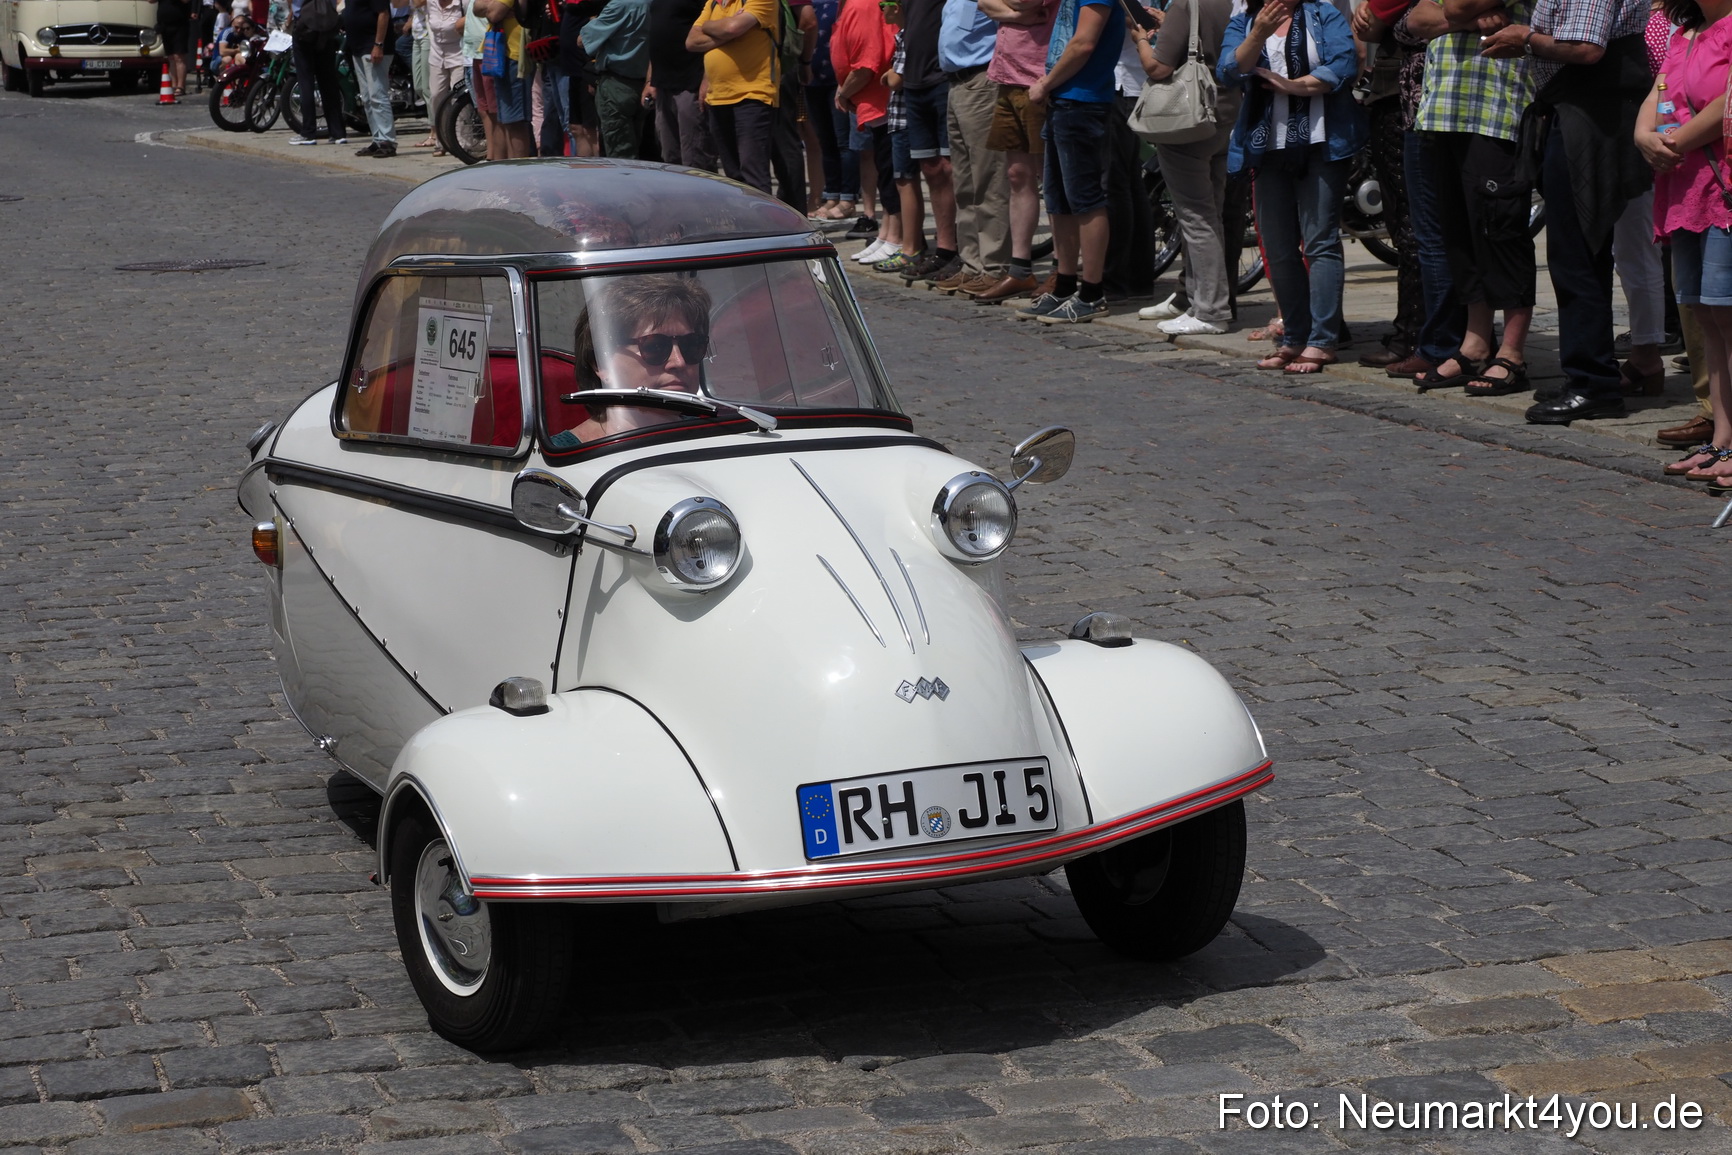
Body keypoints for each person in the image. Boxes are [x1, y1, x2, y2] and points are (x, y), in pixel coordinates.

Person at [1481, 0, 1652, 423]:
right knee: (1577, 251)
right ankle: (1588, 374)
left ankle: (1592, 383)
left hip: (1590, 109)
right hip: (1579, 104)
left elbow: (1585, 47)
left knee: (1577, 253)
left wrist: (1526, 39)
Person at [1219, 0, 1365, 369]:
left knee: (1319, 242)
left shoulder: (1322, 13)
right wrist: (1258, 34)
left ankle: (1323, 339)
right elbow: (1229, 71)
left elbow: (1345, 63)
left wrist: (1295, 86)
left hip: (1321, 142)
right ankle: (1295, 336)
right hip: (1265, 145)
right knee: (1278, 245)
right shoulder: (1245, 22)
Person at [1406, 0, 1537, 393]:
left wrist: (1450, 15)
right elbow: (1415, 19)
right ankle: (1475, 345)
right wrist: (1466, 21)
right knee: (1461, 236)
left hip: (1495, 111)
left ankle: (1512, 354)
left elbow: (1459, 5)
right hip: (1443, 109)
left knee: (1501, 232)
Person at [1641, 0, 1732, 481]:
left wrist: (1671, 144)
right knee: (1709, 318)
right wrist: (1642, 136)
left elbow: (1727, 103)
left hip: (1723, 191)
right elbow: (1658, 93)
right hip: (1687, 191)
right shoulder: (1685, 32)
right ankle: (1722, 441)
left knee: (1729, 316)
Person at [1131, 0, 1241, 334]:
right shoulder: (1232, 4)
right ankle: (1201, 300)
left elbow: (1159, 68)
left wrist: (1140, 40)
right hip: (1226, 112)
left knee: (1196, 217)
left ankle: (1210, 309)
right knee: (1212, 213)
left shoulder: (1185, 4)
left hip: (1189, 119)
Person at [1015, 0, 1125, 324]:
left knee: (1085, 199)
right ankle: (1064, 286)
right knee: (1059, 199)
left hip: (1082, 101)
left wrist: (1045, 84)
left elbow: (1083, 42)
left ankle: (1092, 293)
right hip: (1064, 100)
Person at [554, 275, 714, 446]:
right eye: (655, 346)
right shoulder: (555, 462)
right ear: (600, 362)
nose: (679, 361)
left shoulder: (719, 438)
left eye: (691, 345)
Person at [975, 0, 1060, 303]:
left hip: (1039, 78)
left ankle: (1060, 271)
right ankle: (1020, 270)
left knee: (1049, 179)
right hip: (1007, 76)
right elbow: (985, 3)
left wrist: (1011, 9)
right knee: (1016, 175)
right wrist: (1015, 15)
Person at [935, 0, 1012, 294]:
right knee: (964, 183)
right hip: (956, 85)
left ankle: (994, 266)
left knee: (988, 179)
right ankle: (972, 264)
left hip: (981, 80)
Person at [894, 0, 962, 282]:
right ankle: (945, 249)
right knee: (932, 169)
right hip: (914, 81)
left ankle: (965, 248)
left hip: (943, 77)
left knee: (953, 167)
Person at [833, 0, 904, 259]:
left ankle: (895, 236)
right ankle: (886, 232)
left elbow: (866, 64)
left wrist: (844, 93)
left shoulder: (862, 5)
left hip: (881, 100)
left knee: (889, 170)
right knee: (883, 167)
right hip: (872, 103)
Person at [688, 0, 782, 191]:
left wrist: (708, 26)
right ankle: (743, 220)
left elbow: (731, 28)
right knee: (733, 177)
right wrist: (727, 31)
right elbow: (691, 41)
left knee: (753, 172)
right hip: (718, 96)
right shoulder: (713, 3)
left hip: (753, 95)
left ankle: (760, 220)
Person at [647, 0, 718, 167]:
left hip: (690, 82)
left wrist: (707, 80)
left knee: (694, 158)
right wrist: (650, 80)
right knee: (670, 157)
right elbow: (656, 36)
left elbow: (715, 34)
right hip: (663, 84)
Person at [807, 0, 860, 219]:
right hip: (812, 80)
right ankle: (832, 196)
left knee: (844, 142)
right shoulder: (811, 3)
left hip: (839, 81)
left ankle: (847, 198)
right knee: (825, 142)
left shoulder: (842, 3)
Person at [583, 0, 653, 156]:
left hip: (617, 86)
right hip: (643, 85)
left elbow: (582, 41)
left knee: (620, 155)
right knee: (641, 150)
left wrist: (594, 21)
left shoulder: (621, 4)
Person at [476, 0, 539, 157]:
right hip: (500, 55)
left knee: (516, 121)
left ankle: (519, 173)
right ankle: (511, 170)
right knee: (505, 121)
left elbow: (493, 14)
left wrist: (493, 8)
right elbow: (476, 8)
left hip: (516, 56)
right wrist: (493, 7)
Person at [288, 0, 348, 144]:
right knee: (328, 81)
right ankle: (338, 132)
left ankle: (308, 132)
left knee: (306, 81)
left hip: (305, 27)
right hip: (327, 28)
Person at [346, 0, 398, 157]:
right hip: (358, 47)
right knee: (367, 97)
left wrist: (378, 44)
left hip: (373, 46)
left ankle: (388, 141)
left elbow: (383, 14)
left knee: (377, 94)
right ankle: (377, 139)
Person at [426, 0, 468, 154]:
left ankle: (463, 141)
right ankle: (442, 141)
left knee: (459, 98)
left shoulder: (463, 3)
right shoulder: (431, 3)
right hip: (437, 55)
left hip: (458, 55)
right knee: (437, 96)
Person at [157, 0, 195, 98]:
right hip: (164, 24)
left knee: (179, 56)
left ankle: (181, 86)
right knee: (171, 57)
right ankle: (174, 85)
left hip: (179, 24)